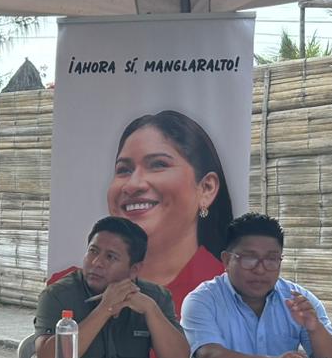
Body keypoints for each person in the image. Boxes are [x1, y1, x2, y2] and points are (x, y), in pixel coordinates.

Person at [49, 110, 234, 313]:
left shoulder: (232, 291)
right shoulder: (65, 290)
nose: (132, 185)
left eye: (158, 165)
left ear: (206, 188)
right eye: (124, 170)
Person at [181, 212, 332, 358]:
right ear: (226, 260)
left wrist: (315, 328)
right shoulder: (202, 300)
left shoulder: (298, 300)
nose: (260, 270)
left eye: (271, 259)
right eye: (249, 258)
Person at [35, 216, 189, 358]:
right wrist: (105, 309)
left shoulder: (154, 297)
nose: (96, 262)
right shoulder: (57, 296)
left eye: (110, 257)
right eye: (93, 251)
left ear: (134, 269)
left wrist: (151, 310)